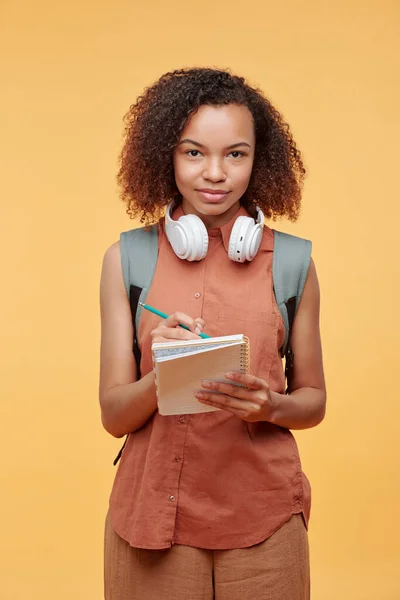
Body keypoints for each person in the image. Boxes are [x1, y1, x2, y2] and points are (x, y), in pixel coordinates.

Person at [99, 67, 326, 600]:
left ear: (258, 159)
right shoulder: (125, 259)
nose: (215, 173)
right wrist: (163, 373)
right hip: (152, 519)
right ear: (167, 156)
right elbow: (112, 416)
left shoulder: (294, 262)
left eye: (236, 154)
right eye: (194, 152)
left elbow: (313, 401)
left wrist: (269, 405)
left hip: (264, 521)